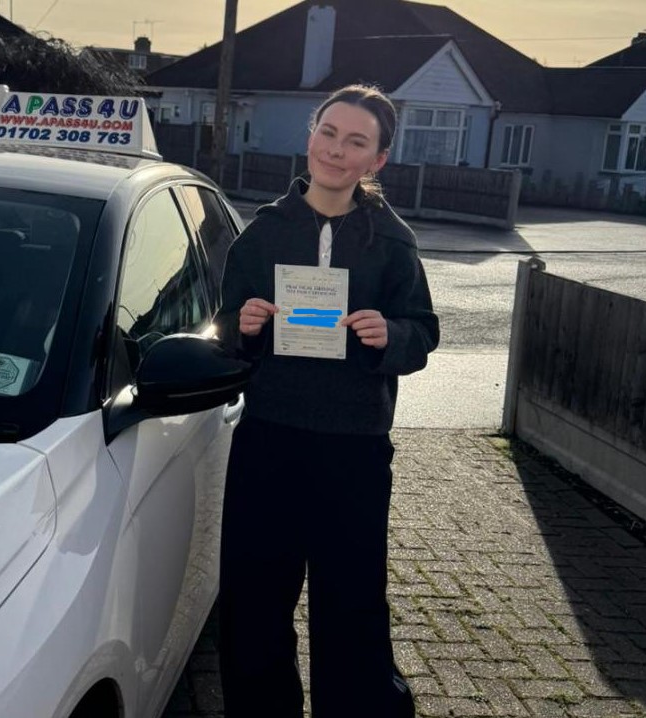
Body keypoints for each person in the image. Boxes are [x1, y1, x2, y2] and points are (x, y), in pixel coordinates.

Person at [214, 84, 440, 718]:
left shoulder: (392, 243)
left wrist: (389, 335)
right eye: (329, 132)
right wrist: (244, 326)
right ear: (311, 135)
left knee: (351, 602)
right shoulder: (261, 237)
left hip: (354, 449)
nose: (337, 151)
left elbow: (422, 332)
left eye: (357, 142)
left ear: (378, 161)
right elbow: (223, 327)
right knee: (255, 600)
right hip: (269, 440)